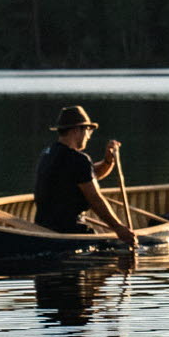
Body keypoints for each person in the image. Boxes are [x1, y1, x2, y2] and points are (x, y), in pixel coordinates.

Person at [34, 105, 138, 247]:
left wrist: (108, 161)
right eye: (88, 130)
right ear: (77, 130)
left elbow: (86, 175)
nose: (89, 136)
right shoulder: (79, 159)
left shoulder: (48, 153)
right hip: (69, 230)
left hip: (43, 226)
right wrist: (118, 228)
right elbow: (95, 199)